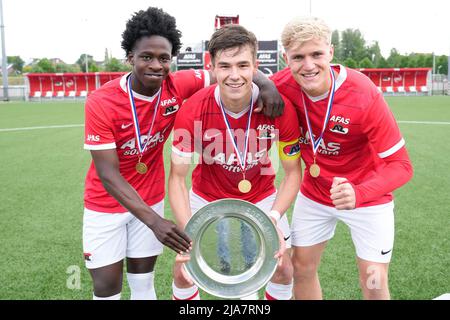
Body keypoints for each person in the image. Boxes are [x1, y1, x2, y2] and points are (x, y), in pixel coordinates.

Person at [82, 7, 286, 300]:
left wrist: (266, 84)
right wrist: (156, 223)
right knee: (106, 287)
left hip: (150, 198)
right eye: (146, 57)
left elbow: (230, 71)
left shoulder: (178, 84)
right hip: (106, 205)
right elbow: (108, 175)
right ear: (130, 58)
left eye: (164, 58)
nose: (156, 65)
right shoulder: (101, 101)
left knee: (143, 283)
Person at [270, 16, 414, 299]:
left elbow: (402, 166)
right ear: (285, 57)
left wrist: (359, 193)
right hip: (314, 194)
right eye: (298, 57)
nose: (308, 65)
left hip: (367, 196)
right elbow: (244, 82)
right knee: (301, 268)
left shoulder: (363, 94)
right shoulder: (281, 85)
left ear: (331, 52)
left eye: (316, 54)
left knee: (373, 278)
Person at [169, 24, 302, 300]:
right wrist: (187, 231)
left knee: (284, 269)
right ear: (212, 67)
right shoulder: (192, 110)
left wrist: (274, 218)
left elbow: (292, 174)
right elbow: (177, 178)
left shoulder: (279, 109)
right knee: (183, 273)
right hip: (207, 197)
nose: (234, 75)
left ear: (255, 65)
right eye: (225, 66)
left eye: (243, 65)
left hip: (262, 196)